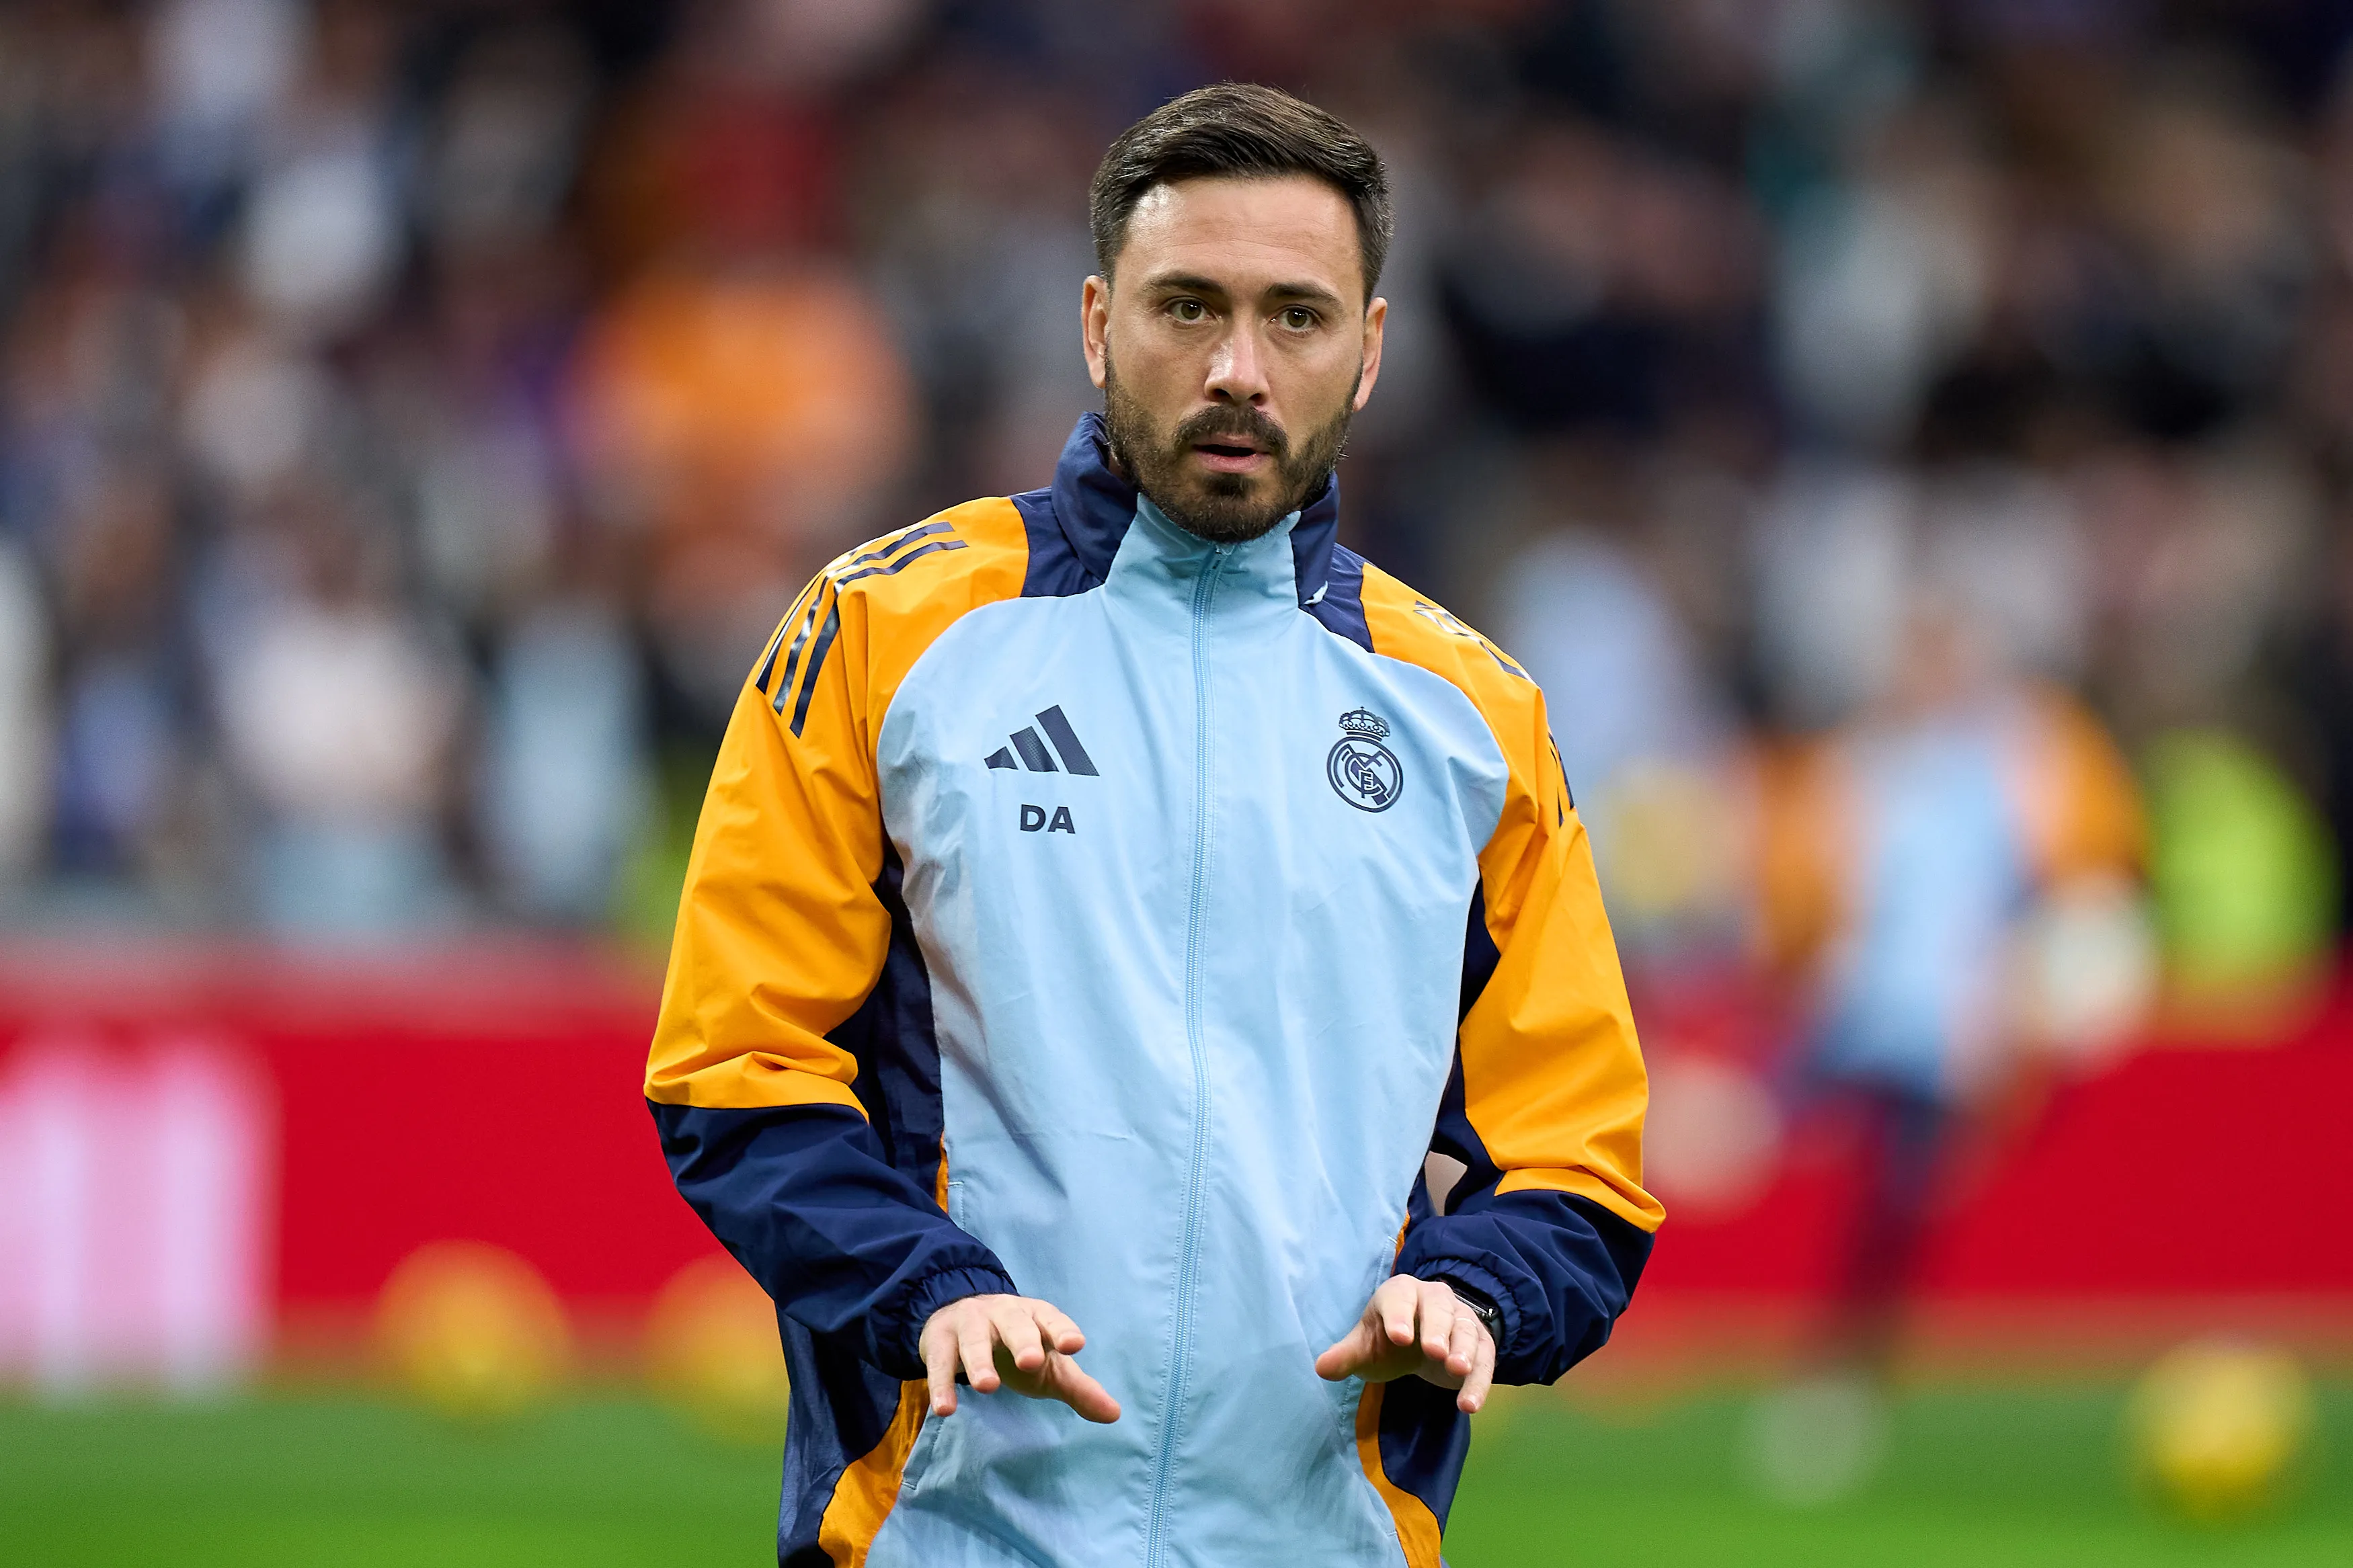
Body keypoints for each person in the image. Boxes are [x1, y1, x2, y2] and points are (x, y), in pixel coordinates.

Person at [645, 84, 1660, 1568]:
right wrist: (925, 1286)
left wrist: (1479, 1290)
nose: (1238, 368)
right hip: (942, 1534)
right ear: (1093, 321)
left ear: (1370, 351)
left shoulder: (1475, 718)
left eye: (1296, 319)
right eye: (1187, 306)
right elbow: (733, 1069)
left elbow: (1578, 1161)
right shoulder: (880, 633)